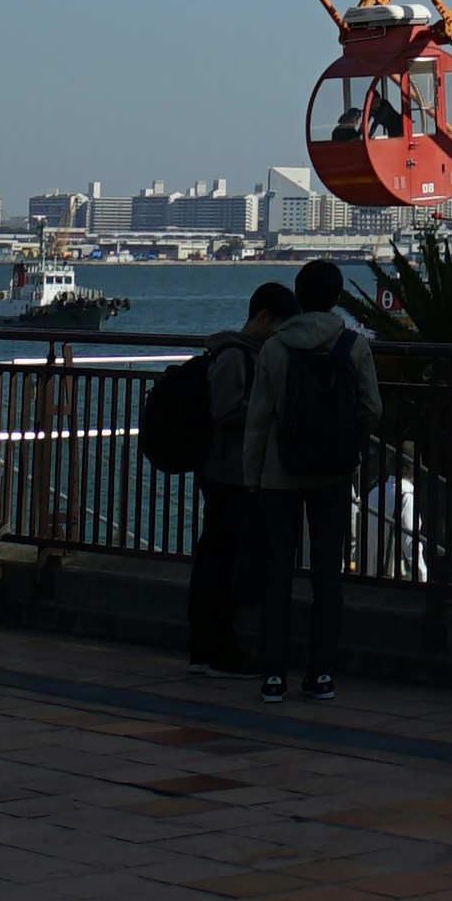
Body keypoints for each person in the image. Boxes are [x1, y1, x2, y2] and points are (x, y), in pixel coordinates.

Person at [243, 252, 382, 701]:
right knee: (328, 575)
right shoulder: (353, 345)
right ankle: (322, 674)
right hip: (333, 476)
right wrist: (345, 442)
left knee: (277, 574)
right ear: (337, 297)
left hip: (280, 477)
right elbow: (372, 410)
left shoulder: (275, 348)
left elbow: (259, 420)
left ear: (299, 298)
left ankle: (273, 677)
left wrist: (253, 476)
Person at [187, 280, 293, 674]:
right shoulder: (236, 355)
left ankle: (209, 646)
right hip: (227, 471)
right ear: (263, 317)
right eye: (278, 325)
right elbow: (225, 408)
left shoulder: (241, 352)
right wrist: (268, 410)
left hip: (227, 469)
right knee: (220, 558)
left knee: (218, 555)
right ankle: (214, 647)